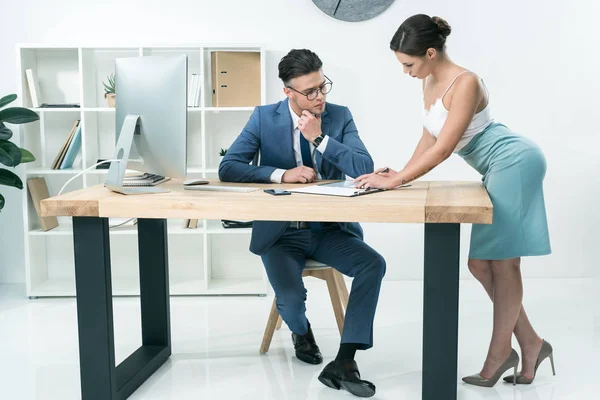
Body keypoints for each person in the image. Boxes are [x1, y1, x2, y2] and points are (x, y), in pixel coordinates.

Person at [354, 14, 554, 387]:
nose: (406, 72)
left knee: (503, 265)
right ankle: (530, 343)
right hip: (496, 168)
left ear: (430, 53)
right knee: (481, 265)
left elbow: (446, 148)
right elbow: (429, 138)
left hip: (514, 161)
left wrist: (398, 179)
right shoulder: (429, 80)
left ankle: (500, 355)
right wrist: (396, 175)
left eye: (408, 64)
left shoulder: (466, 82)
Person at [219, 49, 386, 397]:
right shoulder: (264, 118)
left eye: (322, 87)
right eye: (310, 91)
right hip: (281, 234)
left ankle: (345, 360)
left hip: (327, 230)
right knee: (292, 302)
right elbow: (230, 166)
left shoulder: (339, 116)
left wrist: (320, 138)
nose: (320, 97)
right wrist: (281, 174)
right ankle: (301, 330)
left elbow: (363, 166)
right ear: (288, 93)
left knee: (373, 264)